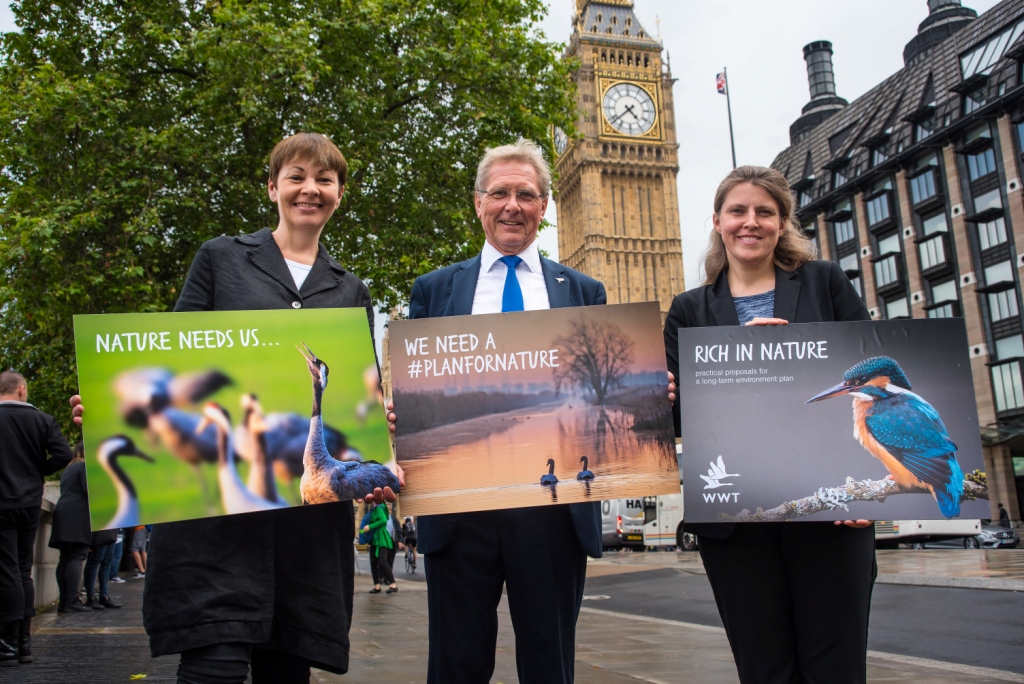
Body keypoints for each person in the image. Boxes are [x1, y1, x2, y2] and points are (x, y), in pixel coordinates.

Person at [71, 132, 400, 684]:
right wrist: (114, 406)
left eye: (324, 179)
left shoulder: (351, 292)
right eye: (296, 177)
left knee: (287, 666)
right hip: (218, 524)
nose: (310, 190)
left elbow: (353, 402)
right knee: (214, 666)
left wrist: (383, 429)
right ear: (273, 188)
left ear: (340, 193)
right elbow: (174, 365)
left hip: (303, 536)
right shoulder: (221, 259)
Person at [402, 138, 607, 684]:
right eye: (499, 193)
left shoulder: (584, 290)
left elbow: (603, 384)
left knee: (549, 662)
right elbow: (413, 389)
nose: (512, 205)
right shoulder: (435, 290)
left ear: (544, 206)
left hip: (553, 506)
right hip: (459, 506)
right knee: (456, 663)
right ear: (478, 203)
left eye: (526, 194)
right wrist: (397, 410)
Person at [664, 165, 876, 684]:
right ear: (718, 222)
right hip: (737, 523)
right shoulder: (689, 311)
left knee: (836, 669)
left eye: (765, 211)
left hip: (829, 510)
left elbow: (874, 379)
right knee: (764, 670)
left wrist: (868, 494)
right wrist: (664, 397)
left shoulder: (825, 283)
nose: (750, 222)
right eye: (738, 211)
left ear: (783, 223)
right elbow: (679, 419)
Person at [0, 371, 74, 666]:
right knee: (21, 569)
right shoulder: (43, 420)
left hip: (2, 502)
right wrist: (37, 470)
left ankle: (5, 645)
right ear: (22, 389)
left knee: (5, 569)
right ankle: (23, 644)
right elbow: (63, 453)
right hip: (30, 501)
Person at [48, 442, 92, 616]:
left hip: (63, 511)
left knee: (65, 557)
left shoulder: (69, 469)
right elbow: (89, 491)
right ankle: (73, 601)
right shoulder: (84, 467)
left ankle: (64, 600)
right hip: (77, 514)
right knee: (77, 556)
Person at [362, 502, 397, 594]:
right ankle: (377, 586)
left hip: (381, 537)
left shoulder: (379, 508)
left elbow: (383, 520)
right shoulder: (376, 508)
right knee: (373, 562)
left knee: (382, 561)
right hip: (376, 538)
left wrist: (370, 526)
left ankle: (393, 584)